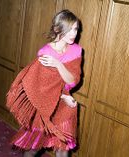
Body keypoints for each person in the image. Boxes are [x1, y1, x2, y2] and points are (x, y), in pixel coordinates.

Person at [6, 9, 82, 157]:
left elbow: (73, 81)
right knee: (34, 147)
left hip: (64, 105)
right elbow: (39, 89)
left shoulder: (76, 51)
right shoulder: (45, 53)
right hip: (44, 105)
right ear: (57, 29)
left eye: (76, 29)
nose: (74, 34)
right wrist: (64, 97)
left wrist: (58, 65)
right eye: (70, 29)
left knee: (63, 148)